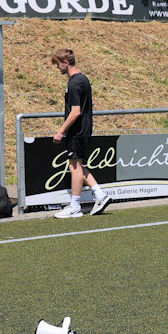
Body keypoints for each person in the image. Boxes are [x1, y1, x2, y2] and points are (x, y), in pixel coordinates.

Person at [50, 49, 111, 219]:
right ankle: (100, 194)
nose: (57, 68)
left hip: (77, 131)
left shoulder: (74, 83)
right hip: (84, 129)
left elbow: (75, 111)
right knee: (78, 165)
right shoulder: (83, 79)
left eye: (58, 64)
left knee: (74, 167)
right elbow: (90, 102)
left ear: (65, 63)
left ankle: (75, 206)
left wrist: (61, 131)